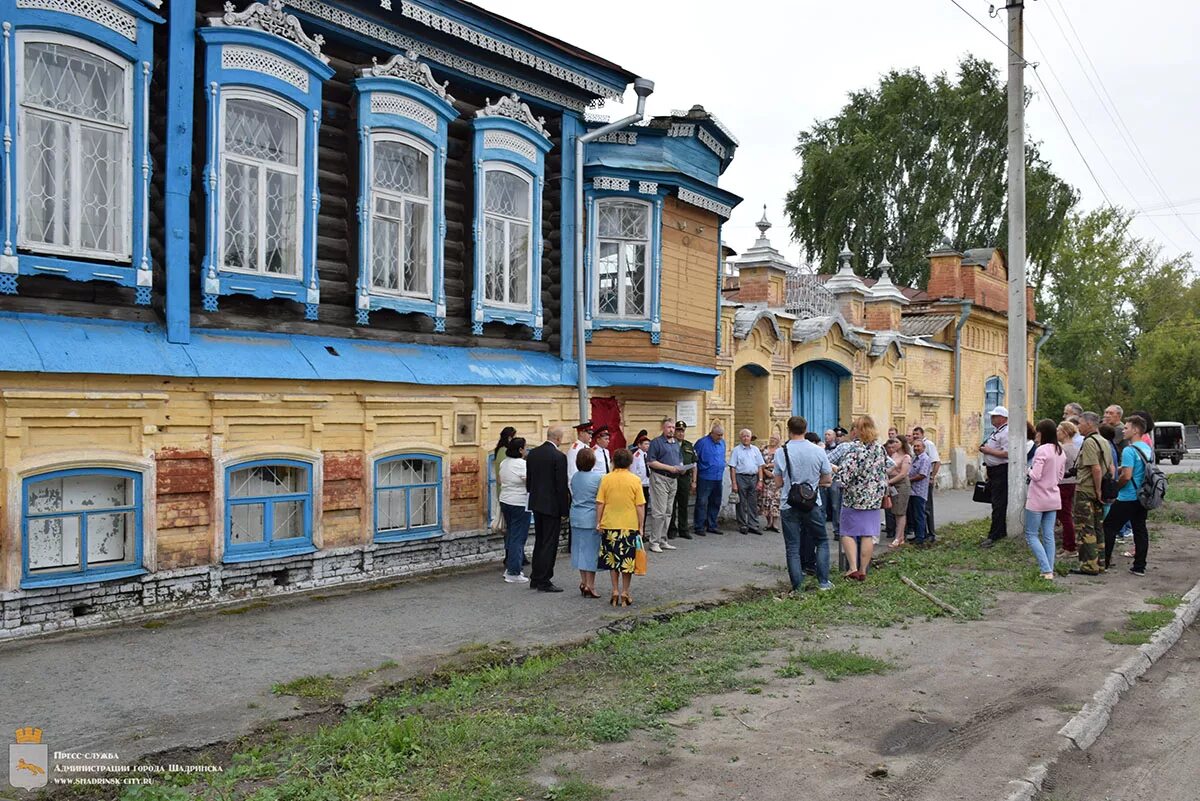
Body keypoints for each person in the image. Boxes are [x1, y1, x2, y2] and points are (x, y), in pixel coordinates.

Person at [775, 415, 834, 591]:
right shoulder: (818, 450)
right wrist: (814, 485)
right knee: (821, 540)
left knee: (792, 546)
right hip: (812, 503)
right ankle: (823, 582)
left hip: (789, 503)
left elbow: (778, 483)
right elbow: (827, 478)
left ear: (788, 429)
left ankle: (797, 587)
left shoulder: (781, 451)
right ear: (805, 429)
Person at [834, 416, 889, 579]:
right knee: (867, 534)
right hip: (873, 499)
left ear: (859, 430)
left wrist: (835, 472)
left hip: (854, 498)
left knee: (847, 532)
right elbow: (885, 469)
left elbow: (846, 474)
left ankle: (852, 568)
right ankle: (864, 569)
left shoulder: (855, 449)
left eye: (854, 428)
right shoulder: (880, 448)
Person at [1103, 416, 1153, 576]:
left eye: (1126, 428)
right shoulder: (1147, 448)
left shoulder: (1129, 450)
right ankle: (1139, 566)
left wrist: (1115, 487)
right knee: (1140, 529)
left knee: (1109, 527)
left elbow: (1127, 475)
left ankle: (1105, 561)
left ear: (1136, 430)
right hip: (1142, 496)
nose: (1123, 430)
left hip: (1127, 496)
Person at [596, 448, 646, 606]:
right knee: (627, 561)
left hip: (610, 524)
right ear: (630, 462)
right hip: (628, 525)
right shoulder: (635, 480)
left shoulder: (606, 479)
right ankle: (625, 591)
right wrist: (641, 526)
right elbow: (640, 506)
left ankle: (614, 590)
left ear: (613, 462)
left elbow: (600, 503)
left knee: (613, 561)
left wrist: (599, 522)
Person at [526, 425, 570, 592]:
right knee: (550, 543)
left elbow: (529, 481)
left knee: (540, 540)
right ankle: (544, 579)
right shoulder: (559, 457)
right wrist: (564, 510)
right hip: (552, 506)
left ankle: (536, 577)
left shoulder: (533, 454)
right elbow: (561, 486)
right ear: (558, 438)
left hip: (537, 503)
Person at [1072, 412, 1113, 576]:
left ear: (1089, 424)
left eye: (1080, 423)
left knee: (1085, 528)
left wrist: (1097, 490)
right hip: (1098, 489)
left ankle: (1089, 565)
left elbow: (1095, 468)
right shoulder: (1104, 441)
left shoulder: (1089, 442)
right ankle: (1100, 562)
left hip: (1087, 490)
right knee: (1097, 527)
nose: (1078, 427)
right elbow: (1110, 468)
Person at [1026, 419, 1066, 580]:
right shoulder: (1060, 450)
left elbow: (1035, 475)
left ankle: (1046, 569)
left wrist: (1027, 470)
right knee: (1048, 535)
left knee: (1031, 534)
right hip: (1053, 497)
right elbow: (1061, 476)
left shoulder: (1041, 450)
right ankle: (1049, 569)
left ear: (1042, 433)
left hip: (1037, 498)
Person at [646, 418, 686, 553]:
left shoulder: (675, 444)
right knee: (659, 511)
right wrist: (669, 468)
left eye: (673, 428)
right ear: (663, 428)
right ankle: (654, 541)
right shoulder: (656, 443)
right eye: (668, 427)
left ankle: (663, 539)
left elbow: (680, 460)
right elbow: (651, 462)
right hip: (660, 478)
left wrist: (682, 468)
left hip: (673, 479)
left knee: (669, 511)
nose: (671, 430)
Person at [569, 448, 603, 598]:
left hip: (576, 516)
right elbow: (600, 499)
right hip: (591, 517)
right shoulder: (598, 478)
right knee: (591, 553)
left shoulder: (575, 477)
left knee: (580, 551)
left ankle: (583, 582)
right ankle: (591, 585)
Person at [498, 437, 530, 583]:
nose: (526, 450)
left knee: (511, 534)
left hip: (505, 500)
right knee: (518, 536)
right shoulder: (521, 464)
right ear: (520, 450)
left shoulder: (504, 463)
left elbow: (500, 480)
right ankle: (514, 571)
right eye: (525, 447)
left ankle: (510, 565)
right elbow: (529, 481)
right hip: (519, 502)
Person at [979, 406, 1010, 548]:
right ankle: (998, 531)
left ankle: (996, 534)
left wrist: (988, 450)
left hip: (1001, 471)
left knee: (999, 504)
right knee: (995, 502)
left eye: (995, 416)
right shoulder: (998, 431)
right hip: (993, 471)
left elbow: (1007, 453)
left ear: (1002, 418)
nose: (992, 418)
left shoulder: (1006, 432)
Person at [692, 423, 727, 536]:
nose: (720, 437)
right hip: (705, 477)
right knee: (702, 502)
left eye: (722, 435)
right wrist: (694, 480)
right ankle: (699, 526)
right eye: (718, 435)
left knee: (716, 501)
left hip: (718, 477)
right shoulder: (702, 443)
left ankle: (712, 525)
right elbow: (695, 460)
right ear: (712, 433)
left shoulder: (722, 443)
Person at [730, 428, 766, 535]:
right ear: (740, 438)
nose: (746, 438)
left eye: (748, 436)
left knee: (753, 502)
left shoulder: (755, 450)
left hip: (753, 478)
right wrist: (734, 483)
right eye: (744, 436)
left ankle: (753, 525)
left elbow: (760, 466)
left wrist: (760, 480)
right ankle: (742, 524)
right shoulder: (736, 450)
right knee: (741, 502)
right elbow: (733, 467)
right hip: (741, 477)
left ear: (751, 438)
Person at [667, 421, 696, 541]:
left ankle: (683, 529)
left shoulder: (688, 445)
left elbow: (694, 464)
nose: (680, 433)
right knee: (671, 505)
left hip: (684, 478)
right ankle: (671, 529)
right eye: (678, 431)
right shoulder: (669, 444)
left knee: (683, 504)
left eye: (682, 431)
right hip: (672, 477)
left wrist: (694, 481)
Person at [912, 426, 940, 543]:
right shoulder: (915, 449)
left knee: (926, 509)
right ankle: (922, 533)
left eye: (917, 434)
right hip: (916, 487)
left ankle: (930, 534)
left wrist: (932, 477)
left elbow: (937, 462)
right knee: (920, 510)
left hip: (924, 483)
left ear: (922, 434)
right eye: (914, 434)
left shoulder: (928, 444)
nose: (915, 436)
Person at [1056, 420, 1080, 557]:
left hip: (1063, 483)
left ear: (1064, 433)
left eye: (1059, 430)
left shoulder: (1063, 449)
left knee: (1065, 516)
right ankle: (1067, 544)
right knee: (1067, 514)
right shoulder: (1076, 447)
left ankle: (1070, 547)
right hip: (1072, 482)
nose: (1057, 433)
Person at [885, 437, 912, 549]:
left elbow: (903, 474)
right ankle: (900, 537)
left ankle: (898, 537)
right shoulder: (894, 455)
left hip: (901, 485)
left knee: (900, 511)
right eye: (893, 442)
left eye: (897, 442)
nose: (894, 444)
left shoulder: (906, 457)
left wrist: (888, 482)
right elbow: (889, 468)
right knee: (895, 511)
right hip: (892, 485)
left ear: (902, 444)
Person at [490, 426, 517, 534]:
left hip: (504, 492)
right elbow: (501, 475)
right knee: (508, 527)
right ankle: (510, 550)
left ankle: (509, 549)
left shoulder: (501, 450)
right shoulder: (504, 451)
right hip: (505, 493)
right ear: (510, 438)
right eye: (515, 437)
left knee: (508, 527)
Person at [908, 439, 932, 547]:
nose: (916, 448)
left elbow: (922, 475)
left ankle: (920, 538)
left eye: (918, 446)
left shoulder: (925, 459)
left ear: (923, 448)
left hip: (919, 491)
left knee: (919, 515)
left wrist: (909, 480)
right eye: (915, 446)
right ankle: (919, 534)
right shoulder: (915, 458)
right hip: (912, 491)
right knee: (914, 514)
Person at [759, 434, 782, 532]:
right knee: (766, 500)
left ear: (779, 441)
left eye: (775, 439)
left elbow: (782, 463)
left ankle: (775, 524)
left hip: (776, 478)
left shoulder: (781, 451)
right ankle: (768, 523)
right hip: (765, 478)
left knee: (776, 500)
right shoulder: (763, 449)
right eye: (771, 438)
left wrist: (769, 466)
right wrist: (764, 471)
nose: (773, 440)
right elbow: (759, 462)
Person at [630, 433, 651, 505]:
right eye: (645, 444)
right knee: (640, 504)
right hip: (640, 485)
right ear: (639, 445)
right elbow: (633, 470)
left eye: (648, 444)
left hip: (647, 483)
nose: (648, 446)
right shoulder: (636, 456)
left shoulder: (647, 455)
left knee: (646, 503)